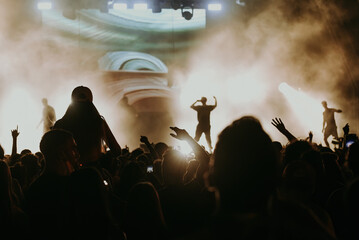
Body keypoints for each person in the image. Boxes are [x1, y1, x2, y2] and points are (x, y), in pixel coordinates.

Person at [53, 86, 121, 166]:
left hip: (68, 173)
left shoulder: (60, 124)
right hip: (94, 172)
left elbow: (52, 152)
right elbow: (117, 151)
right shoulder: (98, 122)